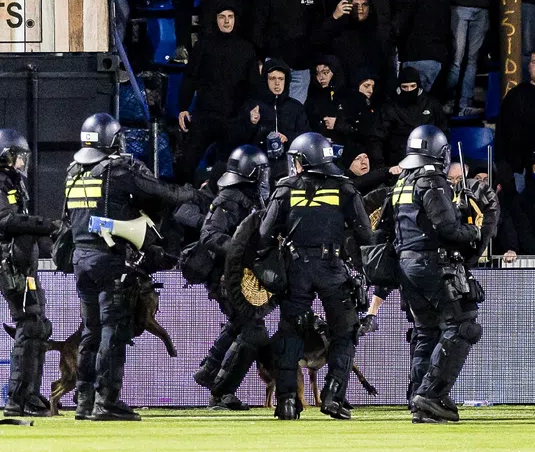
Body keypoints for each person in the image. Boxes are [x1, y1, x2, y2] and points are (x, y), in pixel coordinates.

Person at [65, 114, 199, 420]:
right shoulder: (117, 169)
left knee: (90, 332)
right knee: (114, 331)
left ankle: (84, 401)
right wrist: (193, 194)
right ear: (111, 141)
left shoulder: (73, 172)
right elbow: (162, 193)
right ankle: (107, 401)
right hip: (110, 259)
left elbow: (67, 220)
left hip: (81, 258)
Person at [376, 126, 485, 423]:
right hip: (431, 263)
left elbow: (382, 228)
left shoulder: (401, 182)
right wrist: (474, 229)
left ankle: (418, 399)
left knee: (426, 331)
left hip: (406, 265)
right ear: (440, 152)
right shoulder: (432, 181)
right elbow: (447, 228)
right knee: (463, 326)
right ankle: (431, 395)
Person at [259, 132, 371, 420]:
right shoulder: (344, 189)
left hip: (296, 268)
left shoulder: (285, 189)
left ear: (301, 161)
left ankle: (286, 403)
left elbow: (263, 235)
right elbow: (365, 234)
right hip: (332, 268)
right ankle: (334, 396)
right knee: (344, 332)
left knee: (290, 333)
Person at [193, 146, 270, 411]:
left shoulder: (247, 196)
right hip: (226, 277)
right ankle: (222, 390)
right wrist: (240, 250)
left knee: (240, 324)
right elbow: (210, 235)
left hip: (237, 275)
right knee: (254, 331)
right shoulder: (230, 198)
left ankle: (209, 370)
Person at [0, 129, 58, 417]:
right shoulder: (0, 183)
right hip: (10, 265)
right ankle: (17, 399)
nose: (22, 161)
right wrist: (45, 223)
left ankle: (30, 395)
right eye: (18, 155)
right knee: (30, 325)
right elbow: (7, 220)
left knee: (38, 326)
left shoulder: (13, 183)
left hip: (24, 264)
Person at [177, 0, 260, 183]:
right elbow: (190, 77)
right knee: (186, 163)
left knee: (229, 169)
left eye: (230, 17)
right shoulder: (203, 46)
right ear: (215, 19)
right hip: (205, 115)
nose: (226, 21)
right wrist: (183, 107)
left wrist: (251, 110)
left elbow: (254, 86)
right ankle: (181, 204)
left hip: (233, 118)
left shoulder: (246, 49)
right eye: (222, 17)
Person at [253, 0, 322, 104]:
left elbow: (317, 28)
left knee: (295, 113)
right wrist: (260, 58)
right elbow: (258, 27)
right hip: (276, 63)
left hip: (301, 66)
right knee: (272, 112)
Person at [231, 60, 312, 180]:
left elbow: (305, 136)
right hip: (259, 165)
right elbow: (239, 139)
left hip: (288, 165)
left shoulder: (295, 107)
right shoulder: (253, 106)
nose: (277, 83)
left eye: (281, 79)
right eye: (272, 78)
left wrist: (287, 137)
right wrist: (251, 123)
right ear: (265, 80)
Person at [376, 67, 449, 166]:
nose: (409, 90)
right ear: (399, 87)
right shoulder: (389, 107)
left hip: (428, 156)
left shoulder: (432, 104)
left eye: (412, 86)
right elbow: (380, 135)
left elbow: (442, 130)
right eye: (404, 87)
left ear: (418, 85)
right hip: (398, 158)